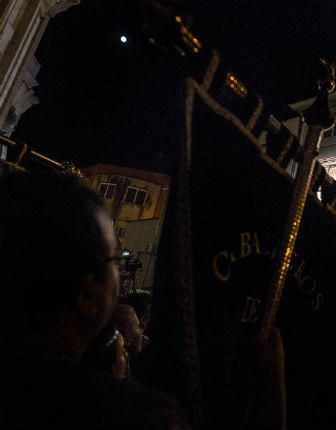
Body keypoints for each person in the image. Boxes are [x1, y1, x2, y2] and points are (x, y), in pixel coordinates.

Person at [0, 172, 287, 429]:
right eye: (115, 259)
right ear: (87, 295)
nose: (123, 271)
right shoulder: (138, 416)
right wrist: (273, 388)